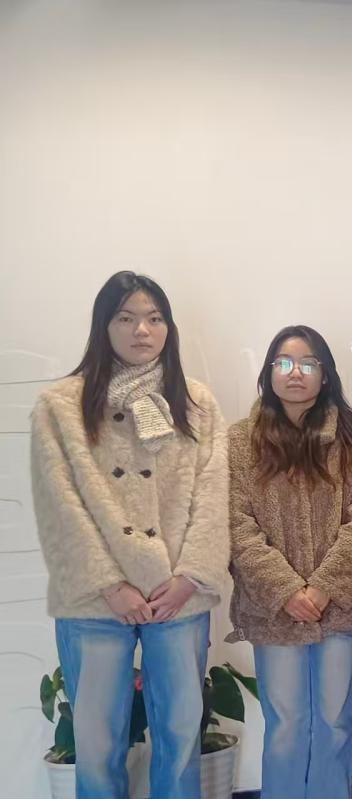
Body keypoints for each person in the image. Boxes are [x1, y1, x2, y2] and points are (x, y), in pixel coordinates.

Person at [30, 271, 229, 799]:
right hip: (96, 599)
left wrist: (190, 577)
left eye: (154, 318)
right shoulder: (61, 406)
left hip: (177, 596)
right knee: (97, 742)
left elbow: (213, 496)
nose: (142, 330)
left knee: (181, 733)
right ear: (104, 325)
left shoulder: (196, 403)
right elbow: (59, 505)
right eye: (127, 317)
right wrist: (110, 584)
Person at [227, 325, 352, 798]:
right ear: (269, 371)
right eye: (284, 363)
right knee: (286, 727)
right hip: (274, 611)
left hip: (340, 607)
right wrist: (286, 590)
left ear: (325, 373)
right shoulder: (241, 441)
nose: (295, 373)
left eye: (307, 363)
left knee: (337, 722)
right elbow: (237, 525)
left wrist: (322, 588)